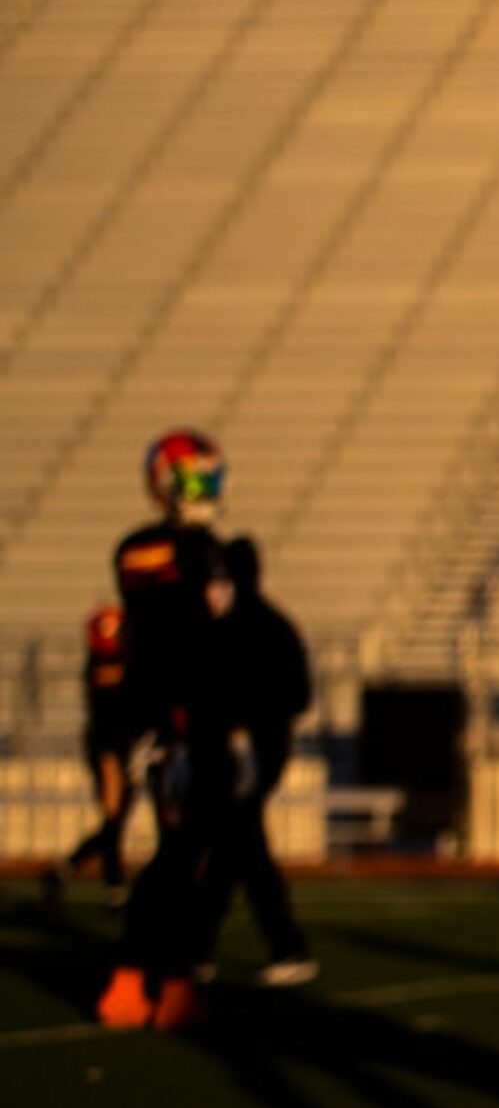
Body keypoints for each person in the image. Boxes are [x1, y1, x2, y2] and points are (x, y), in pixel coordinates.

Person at [95, 430, 241, 1030]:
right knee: (185, 860)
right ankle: (163, 983)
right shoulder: (202, 550)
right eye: (193, 478)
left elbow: (146, 631)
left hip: (147, 719)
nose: (202, 490)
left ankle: (142, 981)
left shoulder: (134, 548)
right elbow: (207, 634)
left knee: (175, 856)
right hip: (188, 720)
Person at [192, 536, 315, 982]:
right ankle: (203, 947)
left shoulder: (244, 628)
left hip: (250, 751)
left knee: (238, 844)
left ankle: (285, 947)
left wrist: (249, 723)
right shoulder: (268, 625)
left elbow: (295, 695)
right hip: (256, 749)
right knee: (234, 846)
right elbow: (301, 697)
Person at [53, 604, 141, 904]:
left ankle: (66, 869)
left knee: (116, 819)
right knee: (114, 818)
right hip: (109, 749)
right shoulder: (105, 669)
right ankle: (113, 886)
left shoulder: (119, 664)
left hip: (124, 748)